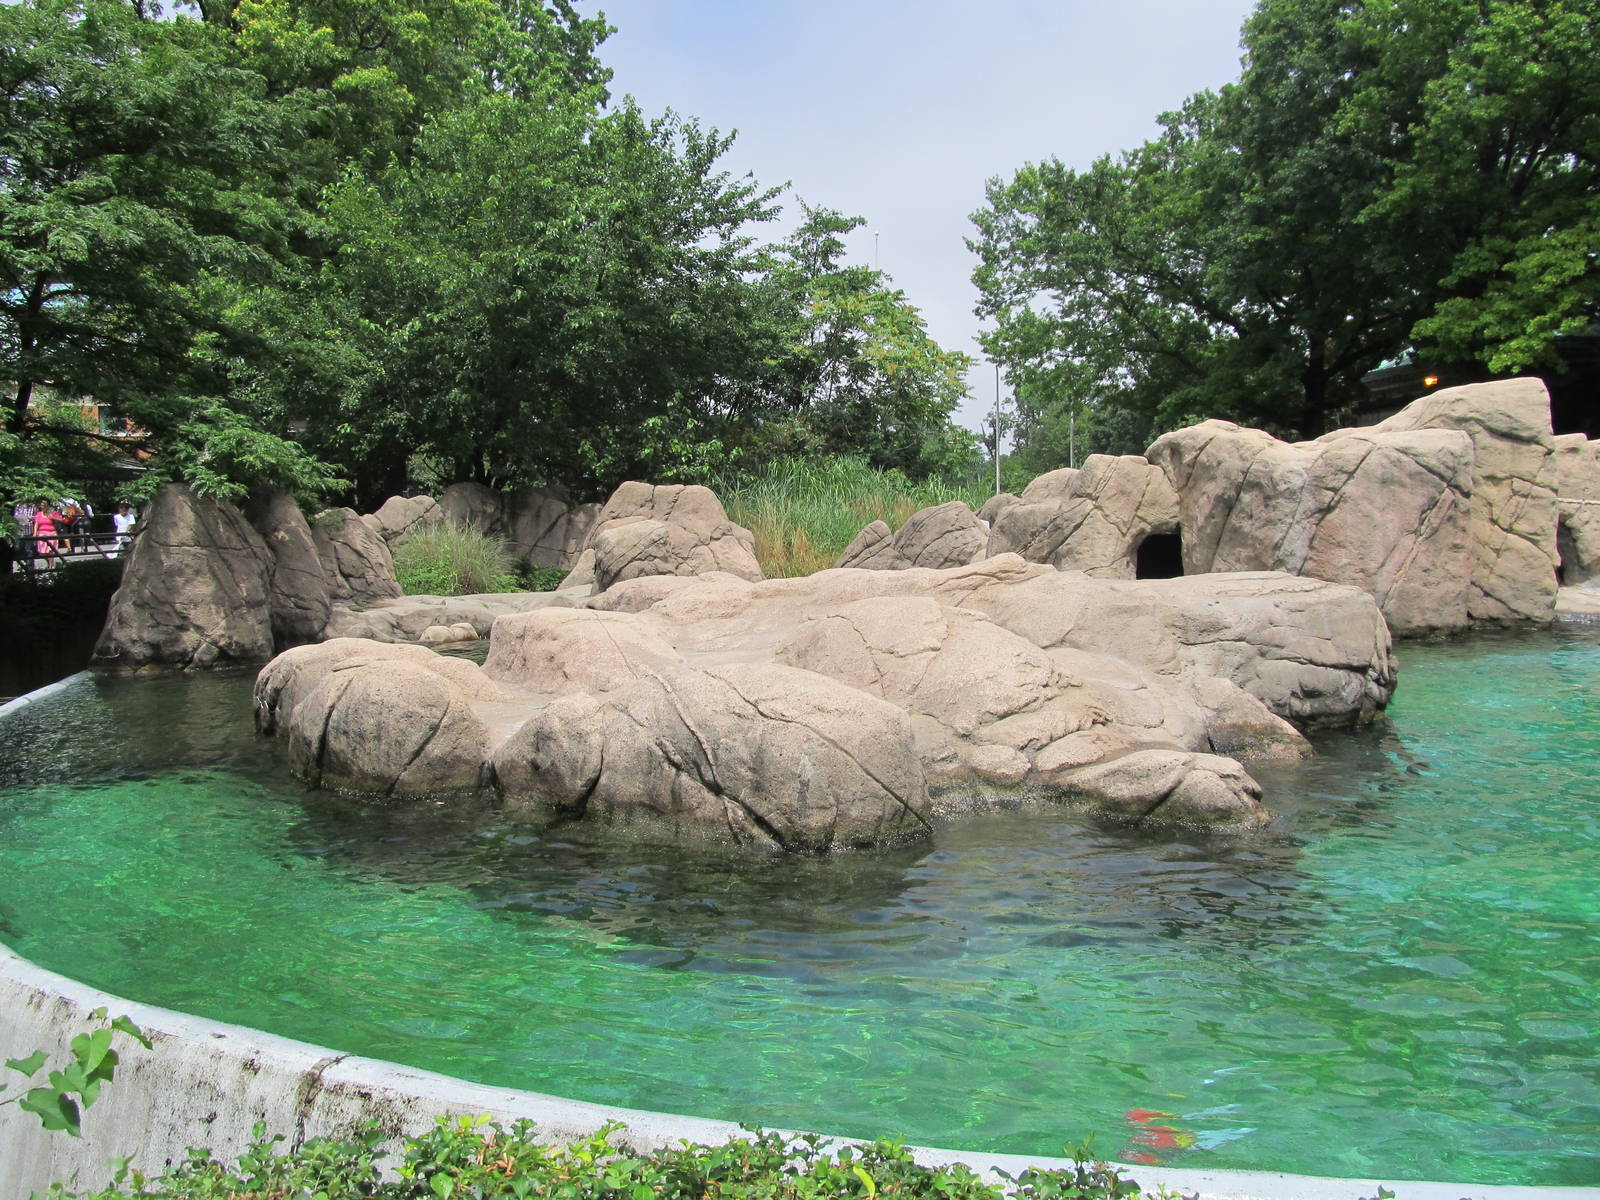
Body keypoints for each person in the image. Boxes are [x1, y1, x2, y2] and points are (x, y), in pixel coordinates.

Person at [30, 500, 60, 568]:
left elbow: (61, 519)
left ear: (47, 507)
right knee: (42, 553)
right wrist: (35, 533)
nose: (42, 507)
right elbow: (36, 523)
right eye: (41, 506)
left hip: (51, 533)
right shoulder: (38, 514)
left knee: (50, 551)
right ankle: (49, 562)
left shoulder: (52, 513)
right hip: (42, 533)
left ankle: (50, 566)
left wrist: (53, 517)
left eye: (44, 506)